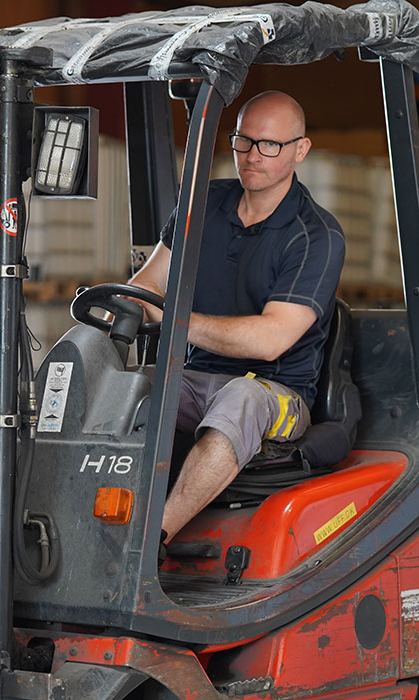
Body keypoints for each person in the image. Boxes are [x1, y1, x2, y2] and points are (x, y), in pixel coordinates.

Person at [129, 90, 345, 549]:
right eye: (243, 141)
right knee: (126, 388)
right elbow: (146, 285)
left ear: (300, 150)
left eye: (269, 145)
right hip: (194, 375)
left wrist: (176, 321)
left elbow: (269, 340)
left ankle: (148, 545)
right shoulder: (202, 205)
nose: (252, 156)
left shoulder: (316, 235)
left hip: (278, 392)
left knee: (242, 396)